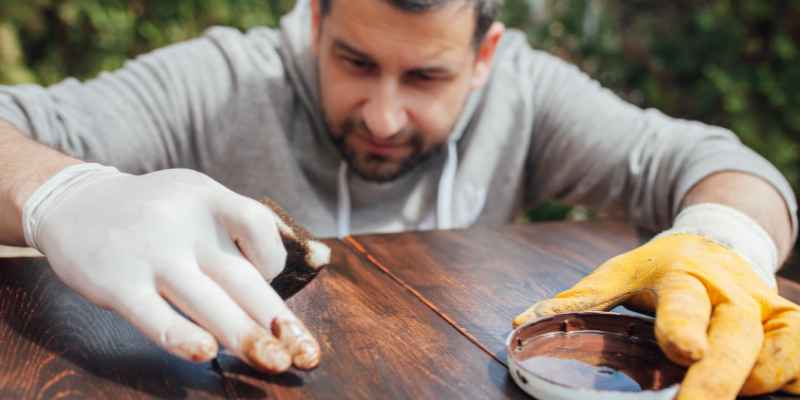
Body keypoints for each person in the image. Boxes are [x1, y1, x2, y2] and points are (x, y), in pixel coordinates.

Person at [0, 0, 797, 397]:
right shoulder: (222, 81)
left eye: (426, 78)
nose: (383, 117)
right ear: (314, 23)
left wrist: (726, 241)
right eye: (354, 62)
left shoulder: (529, 94)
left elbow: (722, 164)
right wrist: (62, 190)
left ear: (484, 56)